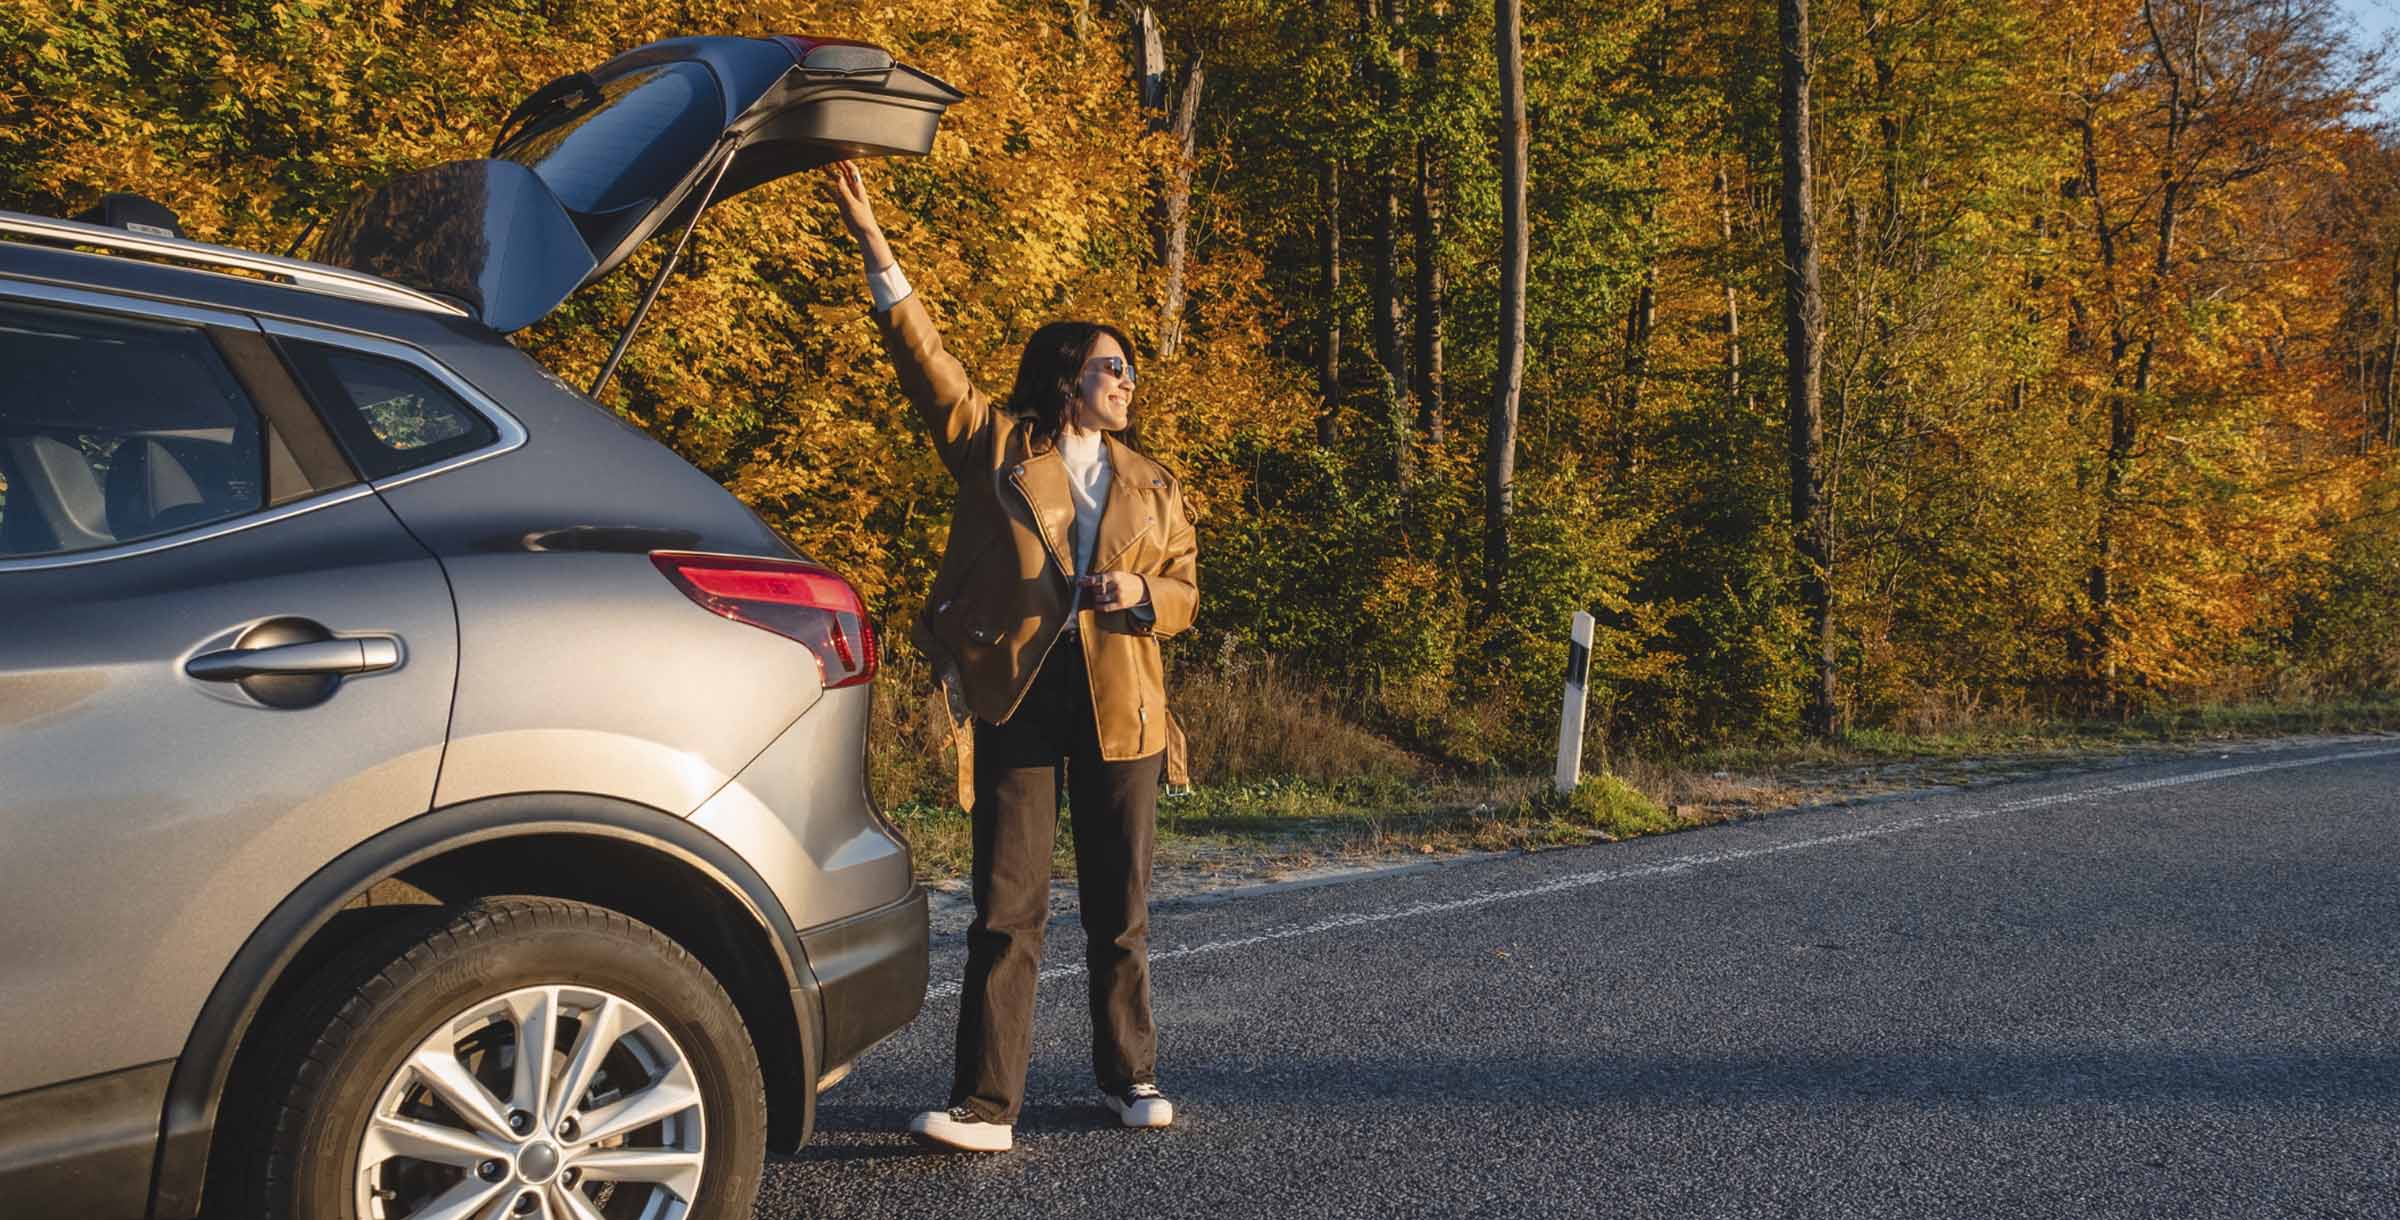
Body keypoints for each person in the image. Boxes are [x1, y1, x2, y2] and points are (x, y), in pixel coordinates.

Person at [818, 159, 1199, 1153]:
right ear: (1068, 376)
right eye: (1112, 368)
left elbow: (1187, 593)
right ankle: (986, 1105)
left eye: (1129, 370)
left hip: (1125, 703)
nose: (1127, 382)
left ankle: (1131, 1075)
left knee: (1120, 909)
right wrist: (875, 245)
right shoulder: (995, 447)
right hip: (1020, 694)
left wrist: (1143, 595)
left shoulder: (1154, 484)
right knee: (1005, 908)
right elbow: (928, 363)